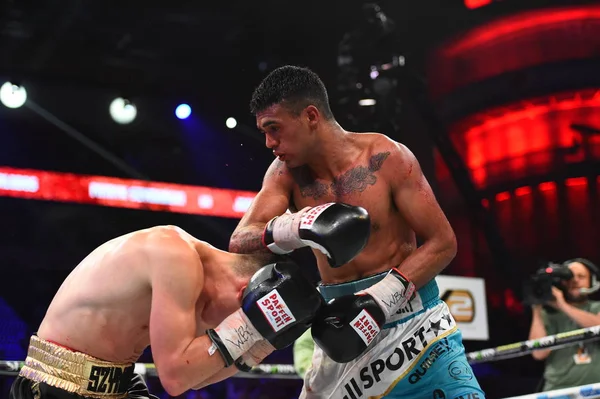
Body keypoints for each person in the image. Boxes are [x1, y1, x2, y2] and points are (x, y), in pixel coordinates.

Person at [229, 65, 485, 398]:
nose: (268, 142)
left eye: (274, 128)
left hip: (417, 327)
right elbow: (241, 240)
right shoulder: (285, 173)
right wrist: (295, 225)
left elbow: (443, 243)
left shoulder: (387, 157)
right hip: (340, 330)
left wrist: (381, 299)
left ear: (310, 116)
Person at [10, 214, 369, 399]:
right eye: (246, 315)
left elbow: (196, 378)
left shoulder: (203, 292)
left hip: (116, 384)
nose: (236, 327)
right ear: (245, 289)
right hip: (57, 386)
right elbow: (176, 377)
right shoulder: (174, 256)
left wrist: (265, 342)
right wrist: (252, 323)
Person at [528, 258, 600, 392]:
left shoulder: (596, 308)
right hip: (558, 391)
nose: (575, 281)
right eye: (569, 276)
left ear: (592, 281)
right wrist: (536, 309)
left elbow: (597, 326)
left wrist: (562, 305)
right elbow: (538, 353)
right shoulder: (549, 314)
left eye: (581, 276)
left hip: (595, 390)